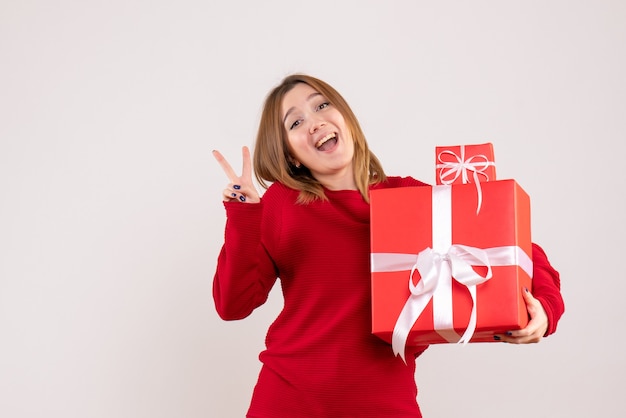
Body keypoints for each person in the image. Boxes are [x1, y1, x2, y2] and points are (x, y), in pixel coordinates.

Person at [212, 74, 565, 417]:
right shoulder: (281, 205)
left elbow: (515, 247)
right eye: (296, 122)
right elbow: (233, 305)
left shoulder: (410, 200)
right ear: (290, 156)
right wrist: (244, 218)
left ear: (345, 118)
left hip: (385, 404)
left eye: (322, 105)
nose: (315, 122)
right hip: (287, 402)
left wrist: (545, 309)